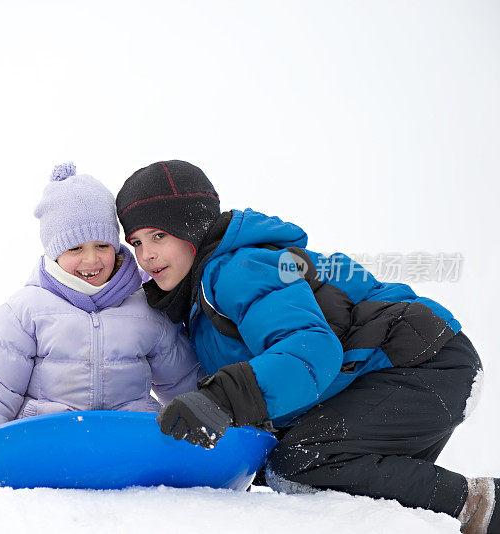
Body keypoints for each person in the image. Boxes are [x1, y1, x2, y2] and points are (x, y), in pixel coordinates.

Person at [115, 160, 497, 534]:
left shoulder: (236, 270)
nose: (146, 255)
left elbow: (311, 350)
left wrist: (222, 398)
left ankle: (480, 504)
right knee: (294, 468)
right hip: (397, 370)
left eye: (159, 236)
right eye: (136, 243)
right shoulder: (197, 302)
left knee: (300, 462)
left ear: (192, 228)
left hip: (423, 361)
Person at [0, 162, 201, 487]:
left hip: (129, 450)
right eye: (75, 248)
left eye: (102, 246)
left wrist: (220, 423)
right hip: (48, 449)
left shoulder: (145, 307)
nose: (92, 260)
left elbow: (183, 381)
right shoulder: (26, 311)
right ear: (54, 252)